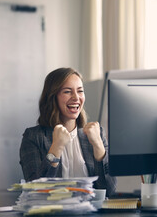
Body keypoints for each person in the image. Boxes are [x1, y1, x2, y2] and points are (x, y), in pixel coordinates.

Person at [19, 68, 116, 196]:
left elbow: (109, 191)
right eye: (67, 92)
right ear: (53, 97)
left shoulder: (97, 134)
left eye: (80, 91)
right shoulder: (33, 137)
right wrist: (56, 148)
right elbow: (35, 189)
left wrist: (98, 145)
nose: (76, 97)